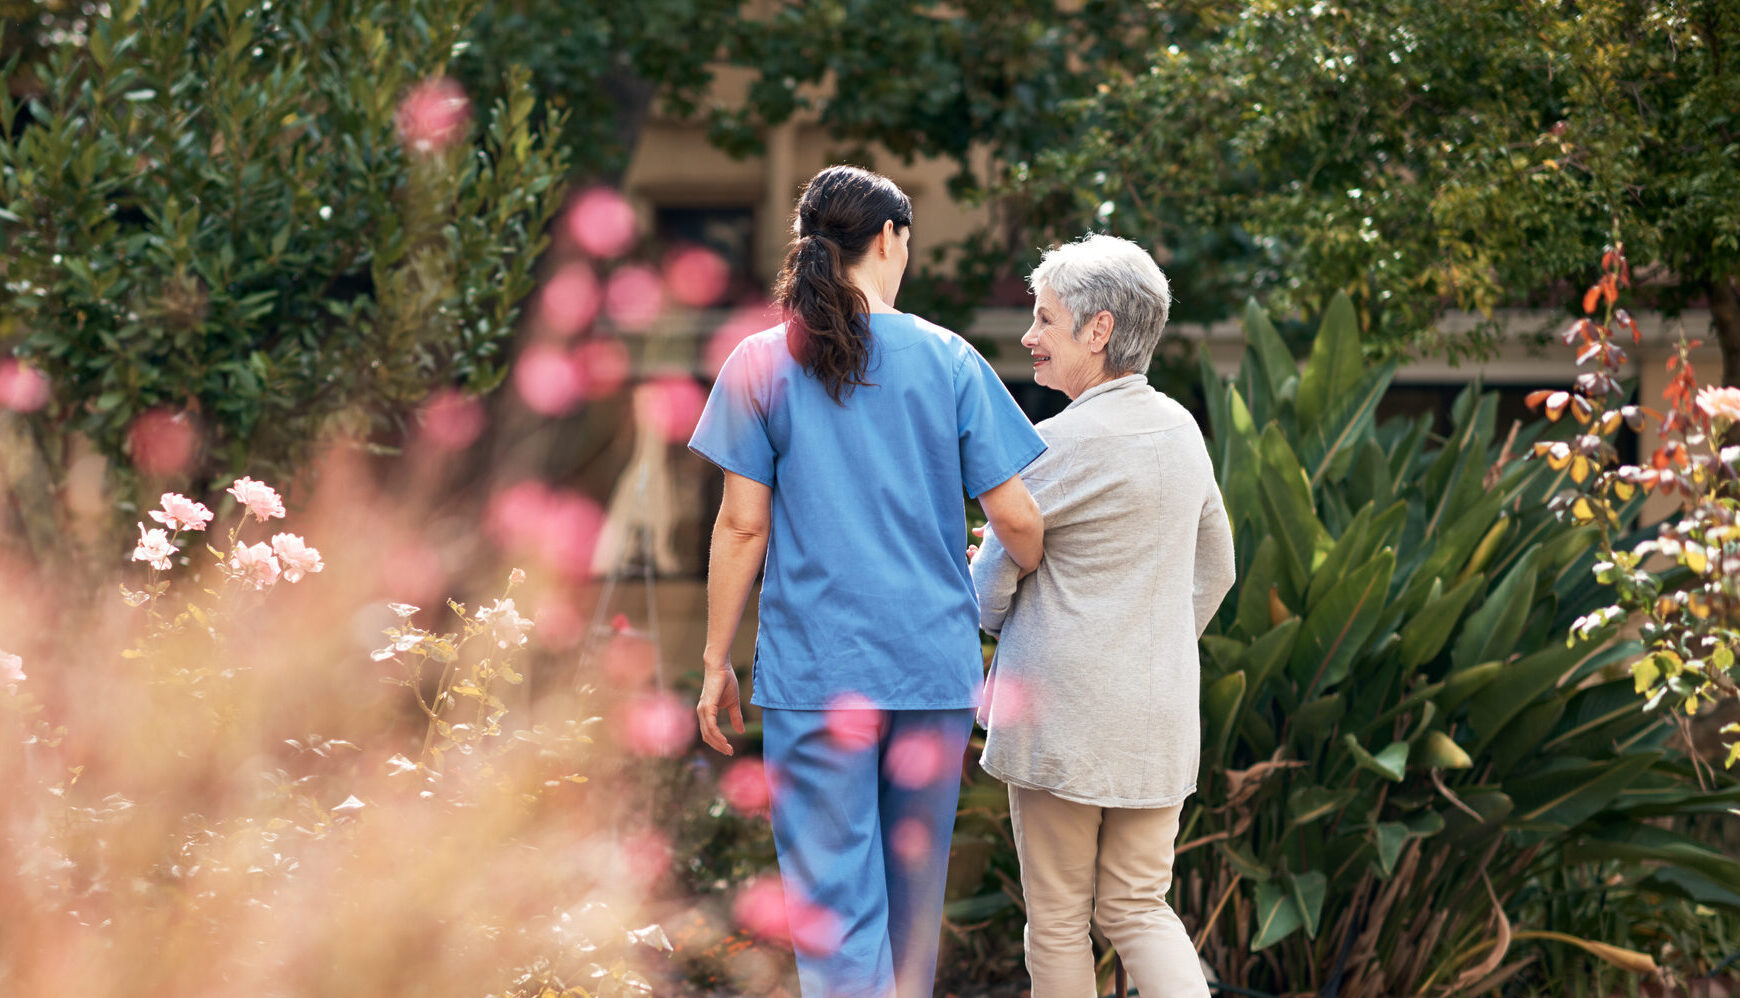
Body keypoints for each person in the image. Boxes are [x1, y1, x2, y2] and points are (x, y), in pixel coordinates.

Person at [689, 164, 1047, 998]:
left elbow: (743, 524)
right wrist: (1013, 570)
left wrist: (715, 661)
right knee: (910, 907)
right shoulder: (949, 357)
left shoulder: (759, 360)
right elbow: (1021, 521)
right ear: (888, 239)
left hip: (817, 674)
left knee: (832, 909)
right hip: (930, 671)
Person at [970, 233, 1236, 998]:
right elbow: (1217, 567)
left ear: (1099, 330)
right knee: (1138, 908)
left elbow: (989, 599)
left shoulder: (1051, 445)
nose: (1030, 337)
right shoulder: (1183, 432)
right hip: (1157, 715)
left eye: (1044, 319)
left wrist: (981, 574)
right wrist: (1146, 643)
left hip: (1063, 717)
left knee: (1056, 921)